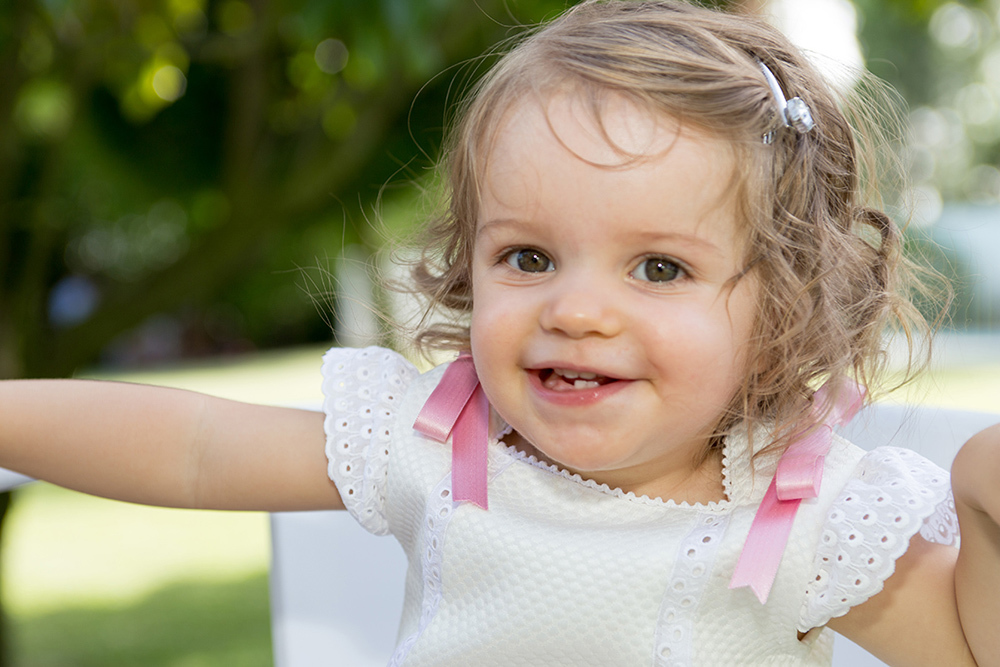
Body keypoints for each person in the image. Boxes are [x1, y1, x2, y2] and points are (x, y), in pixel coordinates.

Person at [1, 1, 998, 665]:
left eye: (658, 267)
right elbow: (194, 448)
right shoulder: (436, 444)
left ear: (780, 308)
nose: (576, 308)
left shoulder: (802, 517)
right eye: (528, 257)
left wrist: (983, 507)